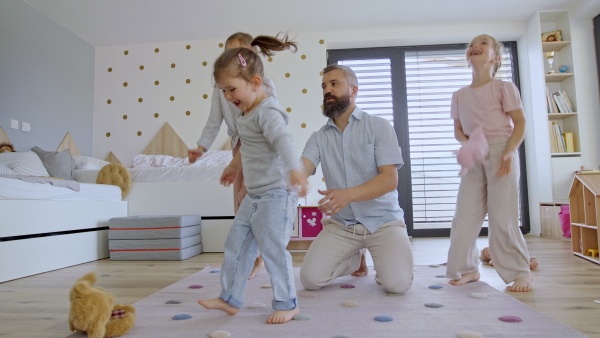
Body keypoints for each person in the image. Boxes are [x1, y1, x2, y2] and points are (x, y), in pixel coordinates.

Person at [197, 34, 308, 324]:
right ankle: (230, 298)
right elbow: (247, 148)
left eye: (231, 89)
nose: (228, 97)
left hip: (276, 193)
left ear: (255, 83)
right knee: (236, 243)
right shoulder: (245, 115)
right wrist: (233, 166)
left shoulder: (267, 110)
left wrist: (295, 169)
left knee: (272, 248)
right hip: (256, 195)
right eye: (223, 91)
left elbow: (283, 139)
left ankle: (288, 302)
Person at [298, 64, 414, 295]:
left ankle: (379, 257)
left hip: (383, 221)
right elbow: (303, 168)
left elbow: (390, 180)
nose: (327, 90)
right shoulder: (319, 137)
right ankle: (353, 259)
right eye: (324, 86)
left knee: (397, 285)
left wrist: (347, 194)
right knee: (310, 280)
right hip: (343, 225)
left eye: (334, 84)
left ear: (353, 90)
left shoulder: (379, 127)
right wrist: (293, 180)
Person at [445, 34, 532, 292]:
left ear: (495, 57)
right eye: (471, 44)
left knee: (501, 215)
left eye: (482, 43)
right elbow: (458, 130)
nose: (474, 46)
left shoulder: (503, 88)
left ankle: (519, 271)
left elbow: (521, 123)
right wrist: (467, 144)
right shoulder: (459, 95)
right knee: (465, 215)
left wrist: (508, 152)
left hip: (500, 149)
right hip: (474, 153)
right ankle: (467, 269)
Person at [189, 32, 275, 280]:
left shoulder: (265, 85)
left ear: (249, 52)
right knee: (239, 205)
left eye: (234, 54)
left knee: (250, 198)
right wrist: (202, 147)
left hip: (259, 147)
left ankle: (262, 254)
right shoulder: (221, 88)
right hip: (239, 145)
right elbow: (213, 122)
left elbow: (274, 120)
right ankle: (251, 257)